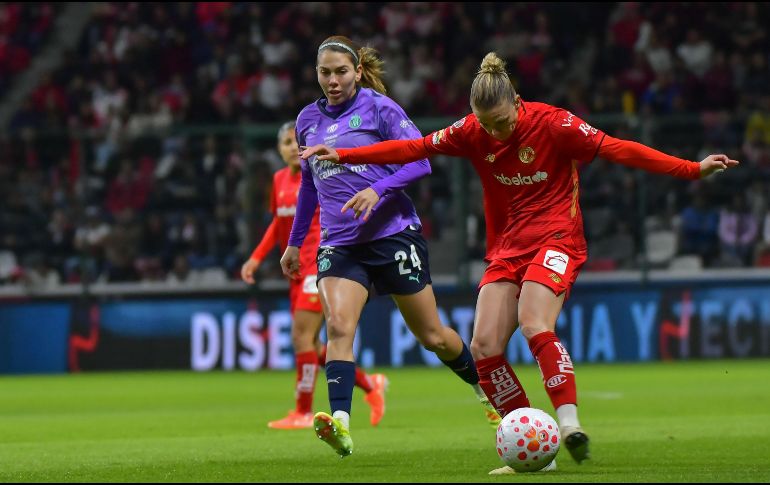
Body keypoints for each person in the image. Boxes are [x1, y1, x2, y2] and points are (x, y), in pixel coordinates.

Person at [301, 52, 740, 472]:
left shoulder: (555, 124)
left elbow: (619, 148)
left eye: (503, 122)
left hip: (557, 238)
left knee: (533, 323)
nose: (495, 133)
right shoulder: (472, 130)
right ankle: (535, 442)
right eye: (487, 125)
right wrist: (345, 155)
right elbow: (412, 148)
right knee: (484, 347)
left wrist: (689, 169)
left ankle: (569, 425)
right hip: (507, 247)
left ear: (517, 102)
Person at [281, 36, 499, 458]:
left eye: (341, 72)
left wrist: (377, 191)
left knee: (433, 336)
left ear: (358, 72)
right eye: (324, 72)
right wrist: (294, 243)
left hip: (393, 236)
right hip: (340, 243)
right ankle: (340, 423)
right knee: (340, 326)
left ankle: (486, 392)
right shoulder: (307, 119)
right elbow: (309, 183)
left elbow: (420, 160)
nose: (332, 80)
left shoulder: (381, 109)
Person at [241, 120, 387, 430]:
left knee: (301, 337)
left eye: (296, 142)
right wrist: (256, 258)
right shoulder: (279, 180)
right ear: (279, 151)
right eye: (285, 144)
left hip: (318, 266)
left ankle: (303, 411)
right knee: (314, 346)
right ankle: (371, 385)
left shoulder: (320, 176)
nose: (292, 148)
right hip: (294, 271)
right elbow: (277, 225)